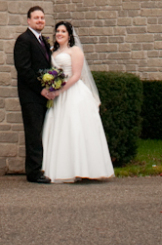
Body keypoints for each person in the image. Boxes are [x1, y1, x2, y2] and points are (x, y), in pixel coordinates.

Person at [41, 20, 114, 183]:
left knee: (75, 128)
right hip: (58, 96)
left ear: (69, 35)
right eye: (57, 31)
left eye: (63, 31)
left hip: (73, 93)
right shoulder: (52, 51)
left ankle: (83, 169)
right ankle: (61, 169)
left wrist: (59, 90)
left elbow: (76, 75)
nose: (59, 34)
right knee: (60, 129)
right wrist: (50, 86)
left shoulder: (75, 51)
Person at [13, 5, 53, 183]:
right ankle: (34, 172)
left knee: (42, 133)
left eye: (42, 18)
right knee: (34, 134)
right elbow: (24, 69)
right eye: (36, 18)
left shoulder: (43, 41)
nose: (40, 21)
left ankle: (42, 167)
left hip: (43, 95)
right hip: (31, 96)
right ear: (29, 20)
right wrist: (41, 89)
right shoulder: (24, 40)